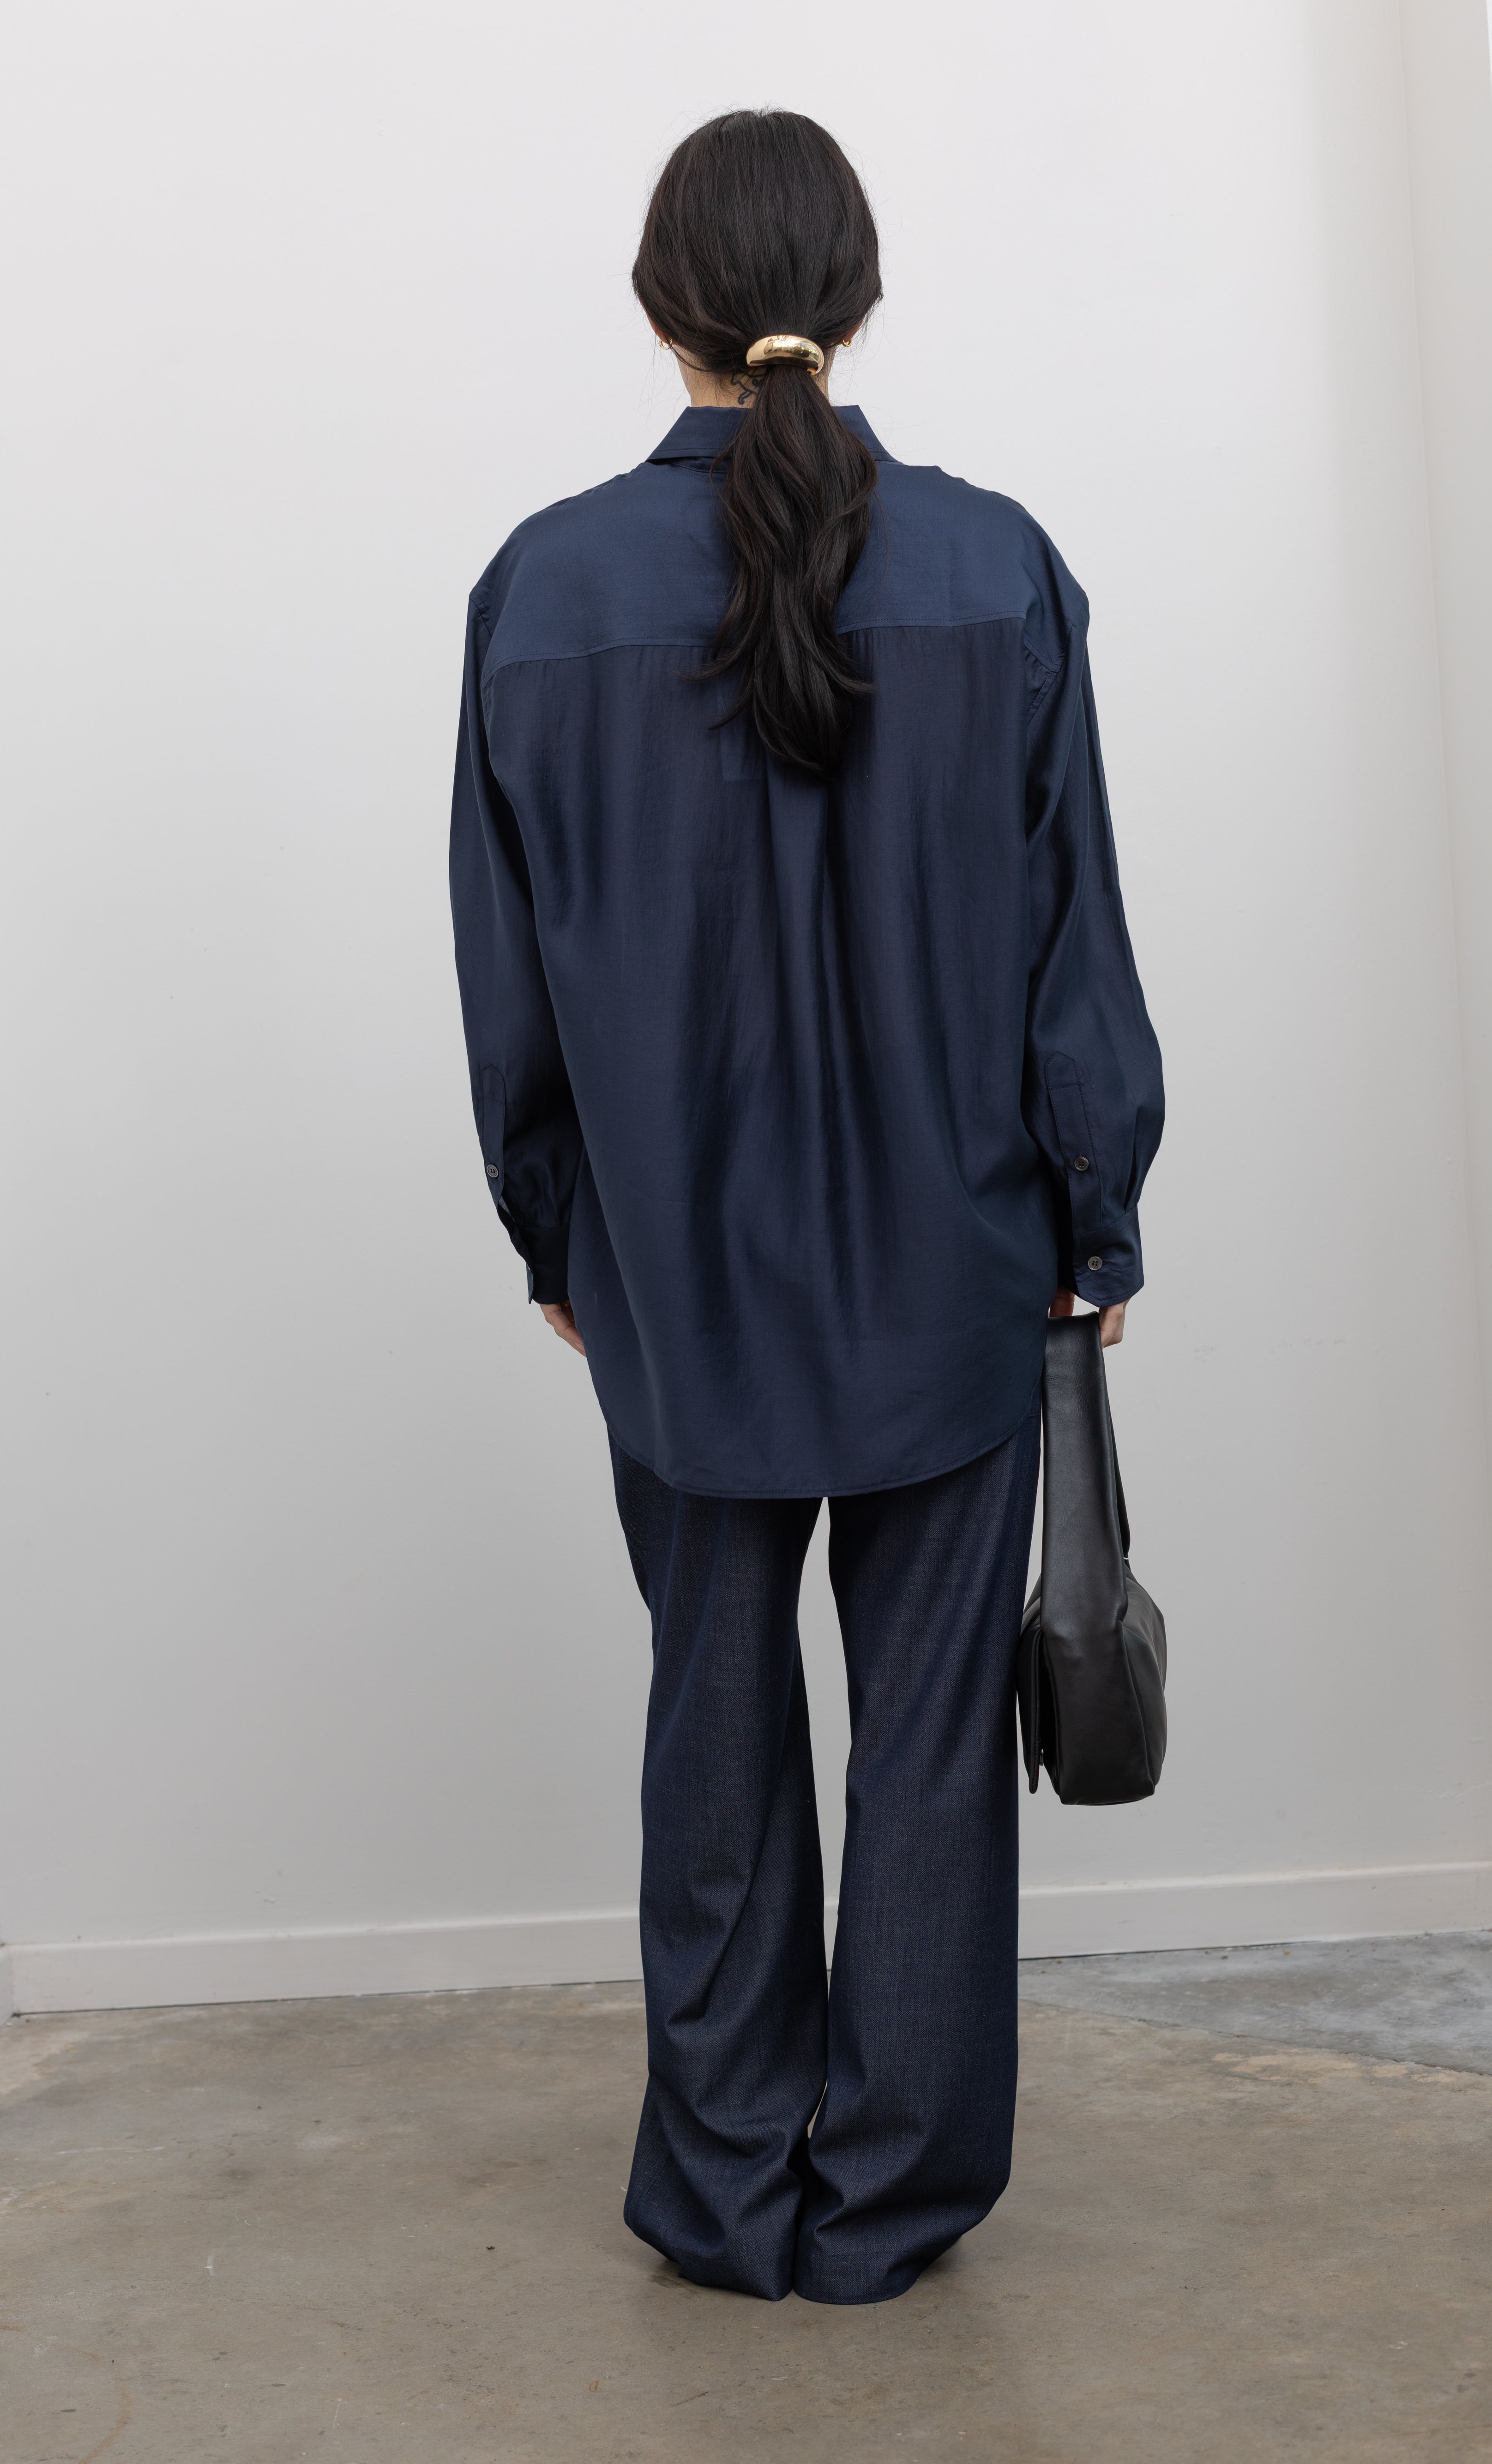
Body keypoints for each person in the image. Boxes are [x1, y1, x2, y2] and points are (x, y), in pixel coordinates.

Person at [449, 108, 1162, 2307]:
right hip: (953, 1278)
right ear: (855, 297)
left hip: (674, 1286)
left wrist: (559, 1229)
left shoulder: (540, 589)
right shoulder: (996, 564)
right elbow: (1071, 939)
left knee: (712, 1714)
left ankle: (726, 2190)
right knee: (929, 1751)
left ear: (653, 301)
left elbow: (510, 954)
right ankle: (886, 2207)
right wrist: (1091, 1213)